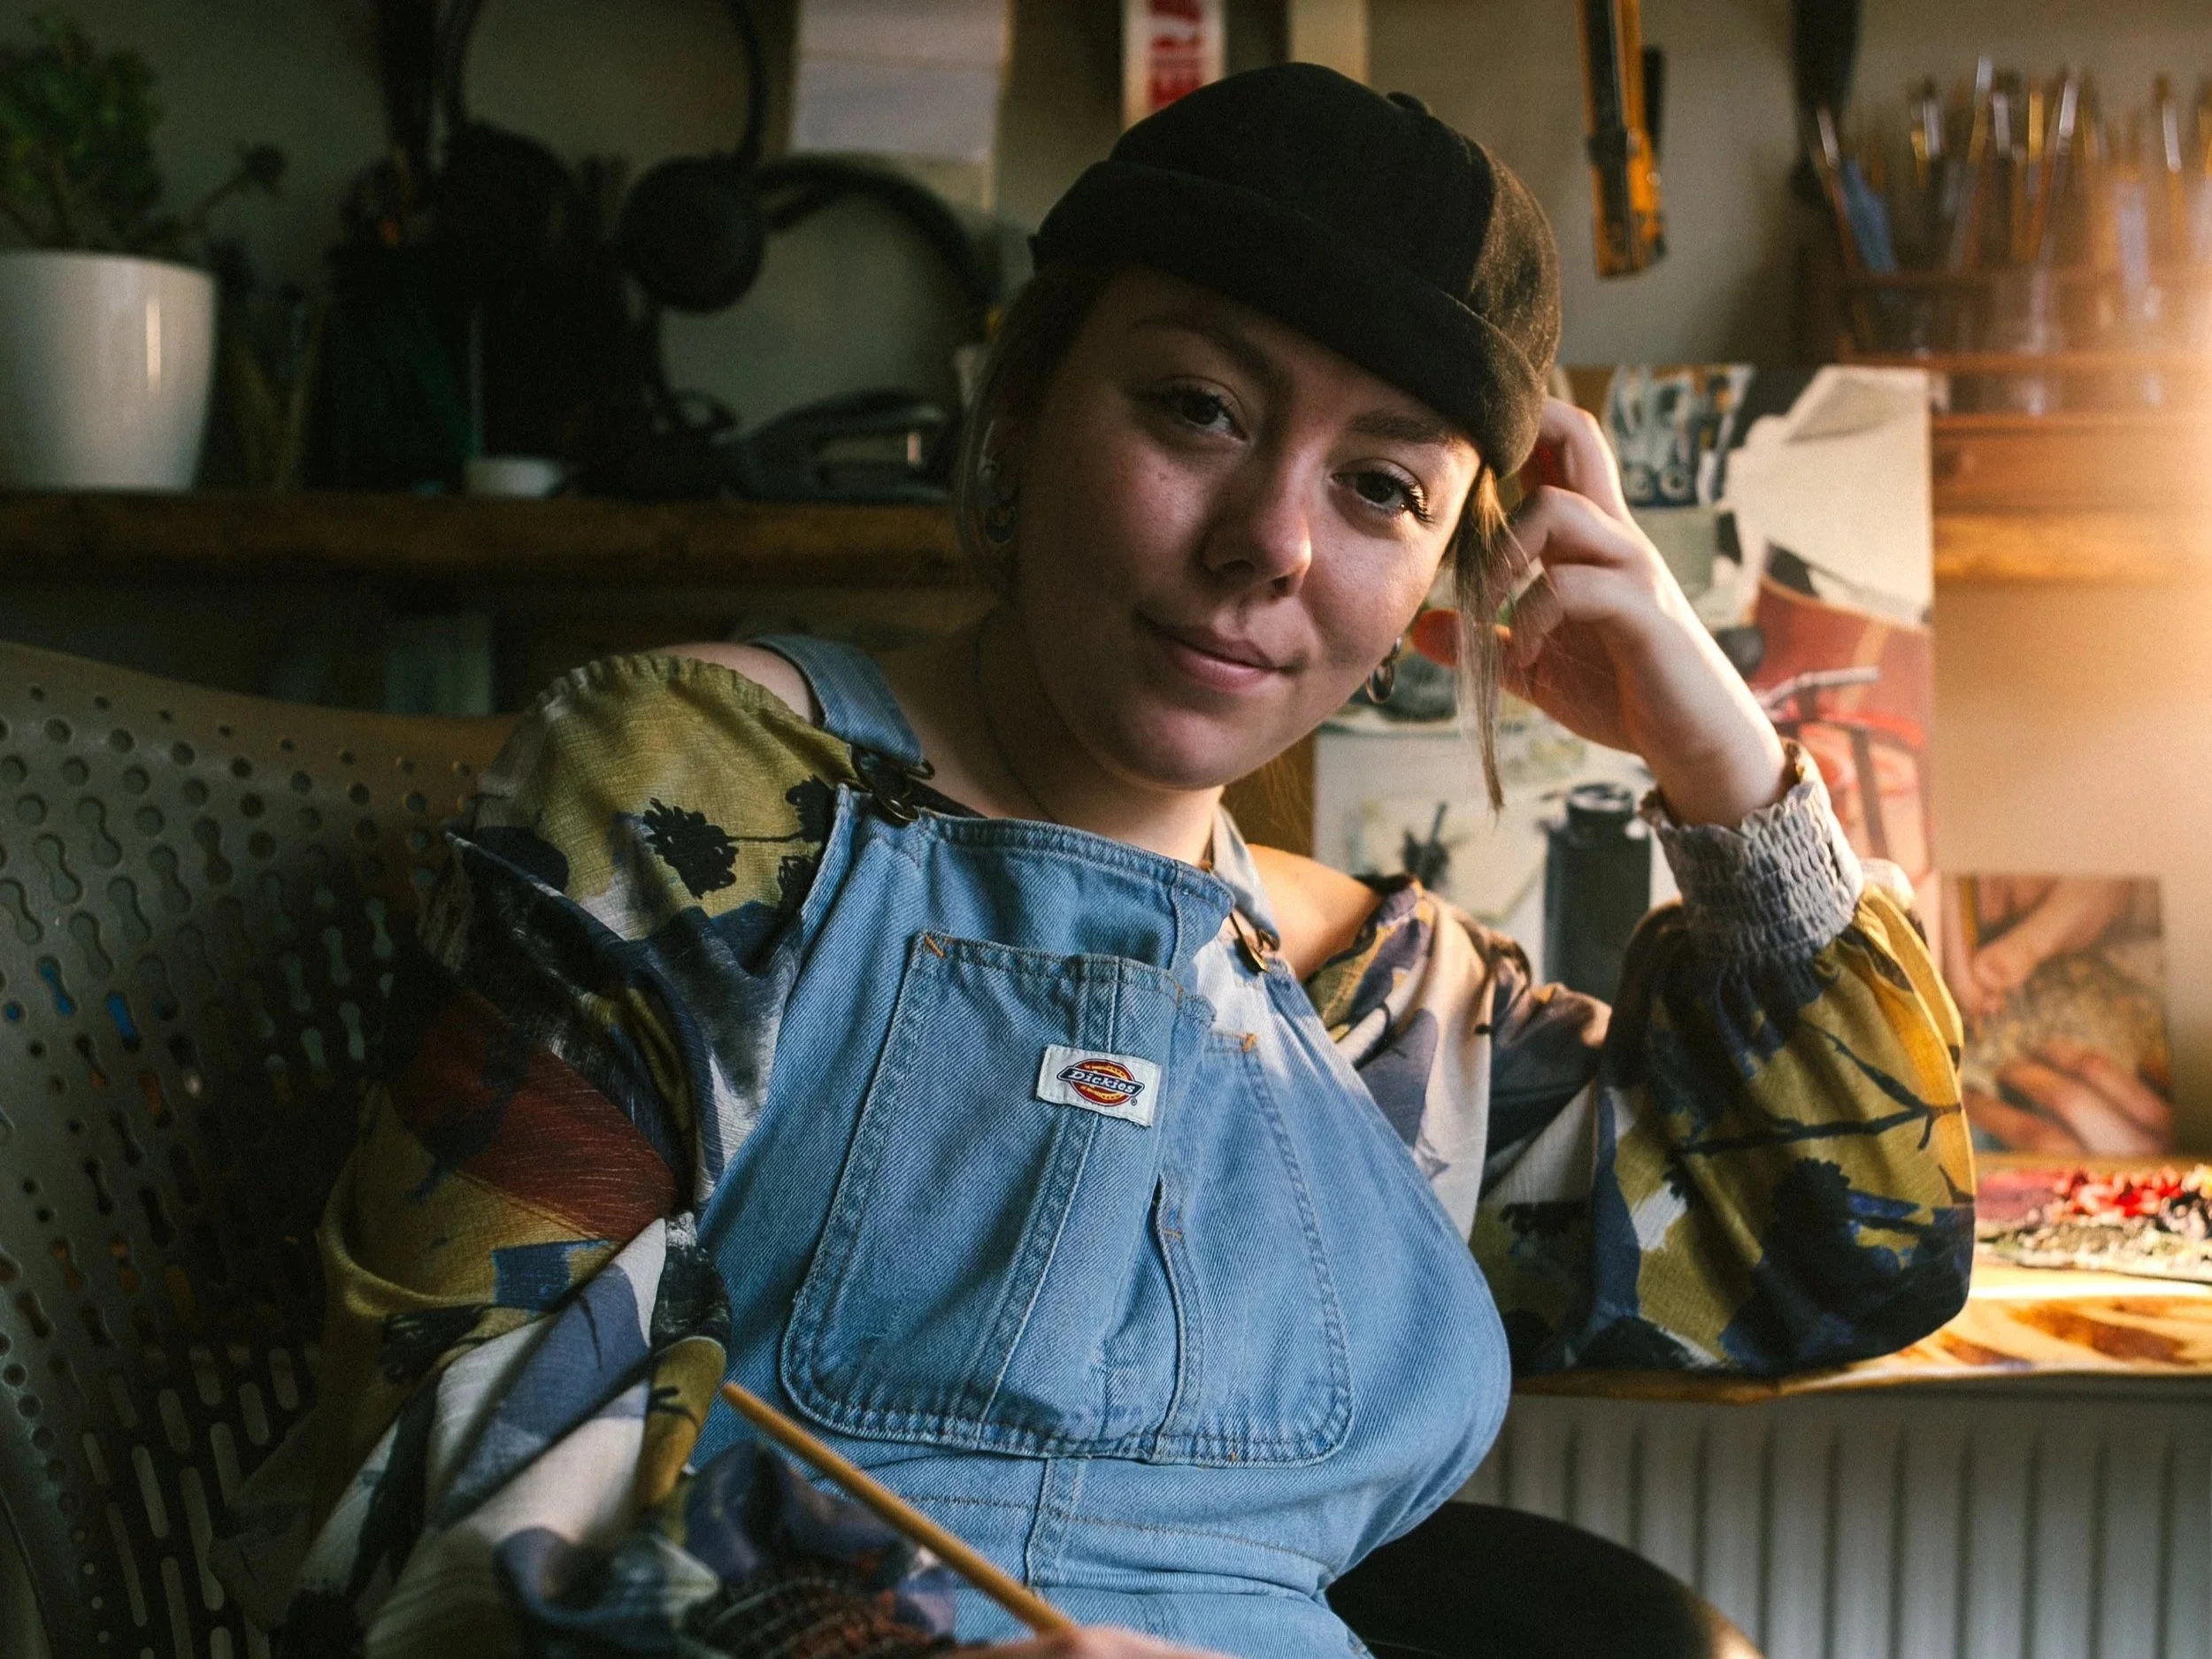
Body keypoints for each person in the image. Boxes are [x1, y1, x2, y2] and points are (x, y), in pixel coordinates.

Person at [213, 65, 1972, 1659]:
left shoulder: (1383, 1016)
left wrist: (1720, 756)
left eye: (1380, 489)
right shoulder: (709, 800)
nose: (1269, 543)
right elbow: (456, 1460)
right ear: (1020, 412)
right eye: (1196, 407)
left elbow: (1832, 1245)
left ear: (1458, 576)